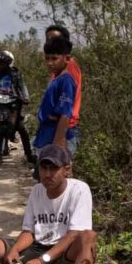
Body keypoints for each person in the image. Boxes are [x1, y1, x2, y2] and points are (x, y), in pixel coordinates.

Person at [32, 36, 78, 180]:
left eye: (54, 58)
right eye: (47, 59)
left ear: (66, 58)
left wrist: (58, 147)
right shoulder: (55, 79)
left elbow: (64, 115)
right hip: (45, 135)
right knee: (45, 181)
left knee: (58, 182)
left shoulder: (66, 81)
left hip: (55, 137)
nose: (50, 63)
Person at [45, 25, 82, 131]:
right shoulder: (56, 67)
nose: (50, 42)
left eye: (55, 39)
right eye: (48, 39)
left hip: (64, 128)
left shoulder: (69, 66)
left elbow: (66, 105)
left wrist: (59, 138)